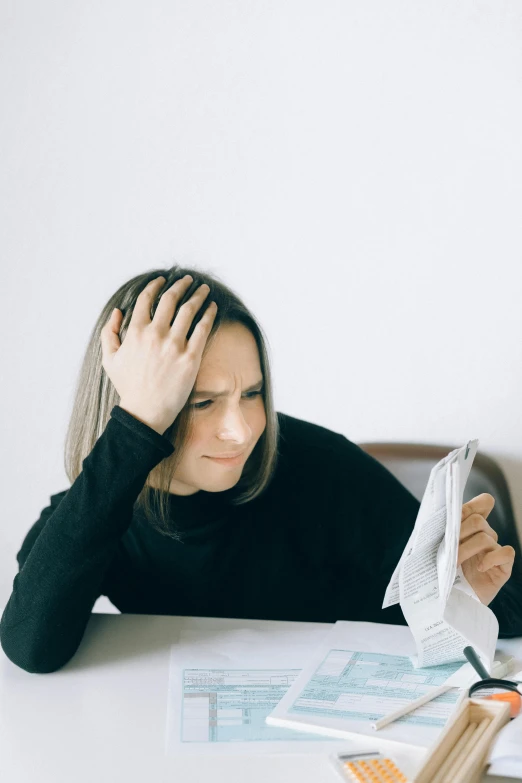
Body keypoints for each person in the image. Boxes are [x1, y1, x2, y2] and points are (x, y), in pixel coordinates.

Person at [1, 268, 522, 674]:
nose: (242, 430)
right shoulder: (104, 503)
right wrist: (135, 429)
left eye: (252, 394)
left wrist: (466, 597)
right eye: (201, 402)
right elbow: (31, 648)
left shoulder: (323, 469)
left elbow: (509, 606)